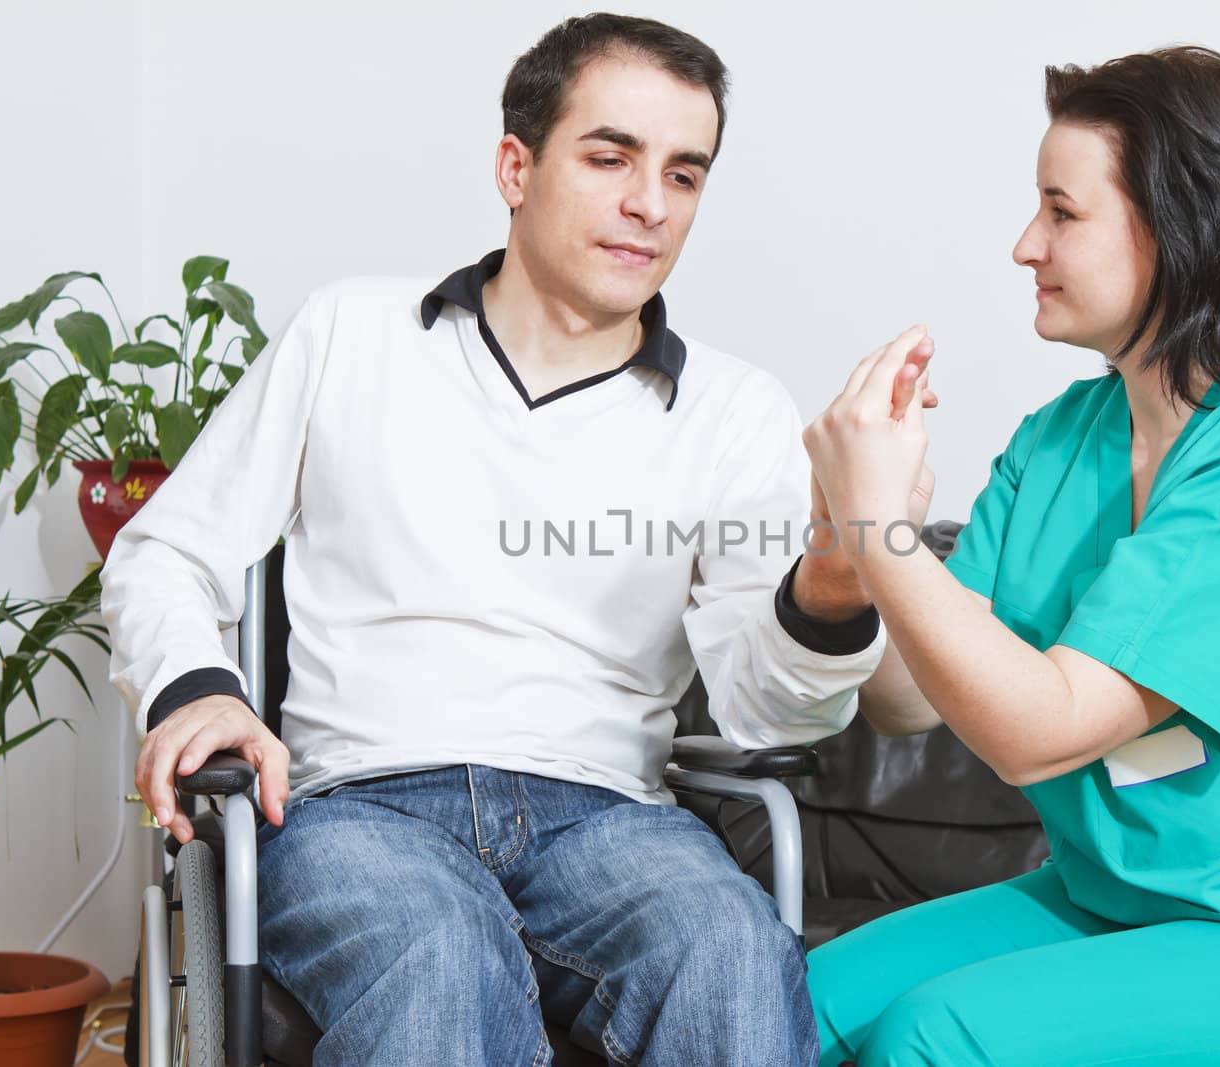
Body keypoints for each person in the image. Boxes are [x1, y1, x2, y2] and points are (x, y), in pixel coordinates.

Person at [102, 14, 888, 1066]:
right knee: (439, 952)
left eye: (684, 174)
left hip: (609, 813)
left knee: (729, 944)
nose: (649, 204)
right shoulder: (350, 335)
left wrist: (833, 583)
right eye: (610, 157)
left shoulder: (734, 410)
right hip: (361, 807)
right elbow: (165, 552)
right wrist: (198, 687)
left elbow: (765, 703)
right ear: (516, 167)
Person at [800, 46, 1220, 1067]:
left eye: (1060, 211)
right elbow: (908, 703)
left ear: (1181, 227)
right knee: (785, 1002)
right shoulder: (1058, 437)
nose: (1024, 244)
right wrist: (852, 534)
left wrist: (886, 536)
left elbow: (1043, 732)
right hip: (1116, 896)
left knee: (936, 1036)